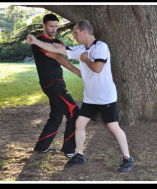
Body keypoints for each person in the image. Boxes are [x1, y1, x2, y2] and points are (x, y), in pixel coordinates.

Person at [27, 20, 134, 172]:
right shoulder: (80, 49)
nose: (74, 36)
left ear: (84, 32)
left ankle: (128, 159)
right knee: (79, 123)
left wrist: (84, 60)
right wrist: (35, 41)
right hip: (90, 98)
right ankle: (79, 155)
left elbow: (97, 68)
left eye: (76, 33)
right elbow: (54, 48)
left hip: (106, 97)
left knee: (113, 127)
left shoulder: (101, 47)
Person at [30, 14, 80, 160]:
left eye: (56, 26)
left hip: (58, 82)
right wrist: (77, 72)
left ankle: (41, 147)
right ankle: (69, 150)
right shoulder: (39, 42)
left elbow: (65, 52)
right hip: (51, 84)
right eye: (51, 26)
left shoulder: (57, 41)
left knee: (56, 116)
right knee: (74, 112)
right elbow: (58, 57)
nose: (54, 29)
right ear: (44, 25)